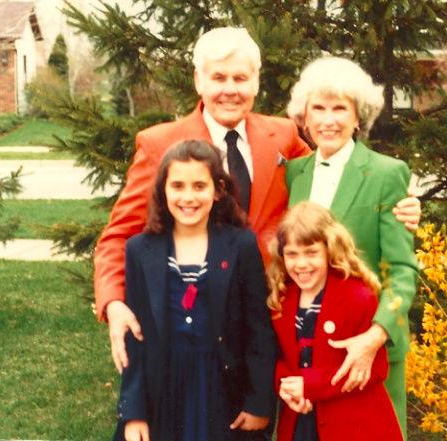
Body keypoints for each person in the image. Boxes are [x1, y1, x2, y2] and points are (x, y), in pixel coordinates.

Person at [93, 27, 421, 377]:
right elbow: (118, 235)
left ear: (256, 83)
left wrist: (403, 200)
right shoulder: (160, 145)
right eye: (218, 77)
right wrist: (114, 303)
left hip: (274, 325)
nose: (230, 89)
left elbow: (337, 178)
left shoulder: (282, 136)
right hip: (191, 327)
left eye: (240, 77)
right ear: (198, 80)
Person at [285, 56, 418, 437]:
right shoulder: (294, 173)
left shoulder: (386, 173)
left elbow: (402, 270)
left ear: (358, 117)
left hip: (368, 351)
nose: (329, 120)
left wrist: (375, 336)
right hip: (310, 355)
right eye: (319, 109)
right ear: (303, 118)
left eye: (340, 108)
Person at [114, 140, 275, 441]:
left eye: (199, 186)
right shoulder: (140, 250)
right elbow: (135, 340)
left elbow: (259, 332)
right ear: (163, 190)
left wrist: (259, 403)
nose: (188, 197)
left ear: (218, 191)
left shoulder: (240, 246)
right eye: (177, 186)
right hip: (163, 392)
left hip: (222, 391)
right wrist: (133, 412)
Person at [267, 202, 403, 441]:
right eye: (292, 254)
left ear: (329, 250)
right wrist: (285, 385)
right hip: (301, 419)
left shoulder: (357, 297)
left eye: (311, 253)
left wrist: (309, 385)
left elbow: (376, 369)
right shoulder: (281, 299)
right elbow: (276, 357)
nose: (301, 264)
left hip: (352, 424)